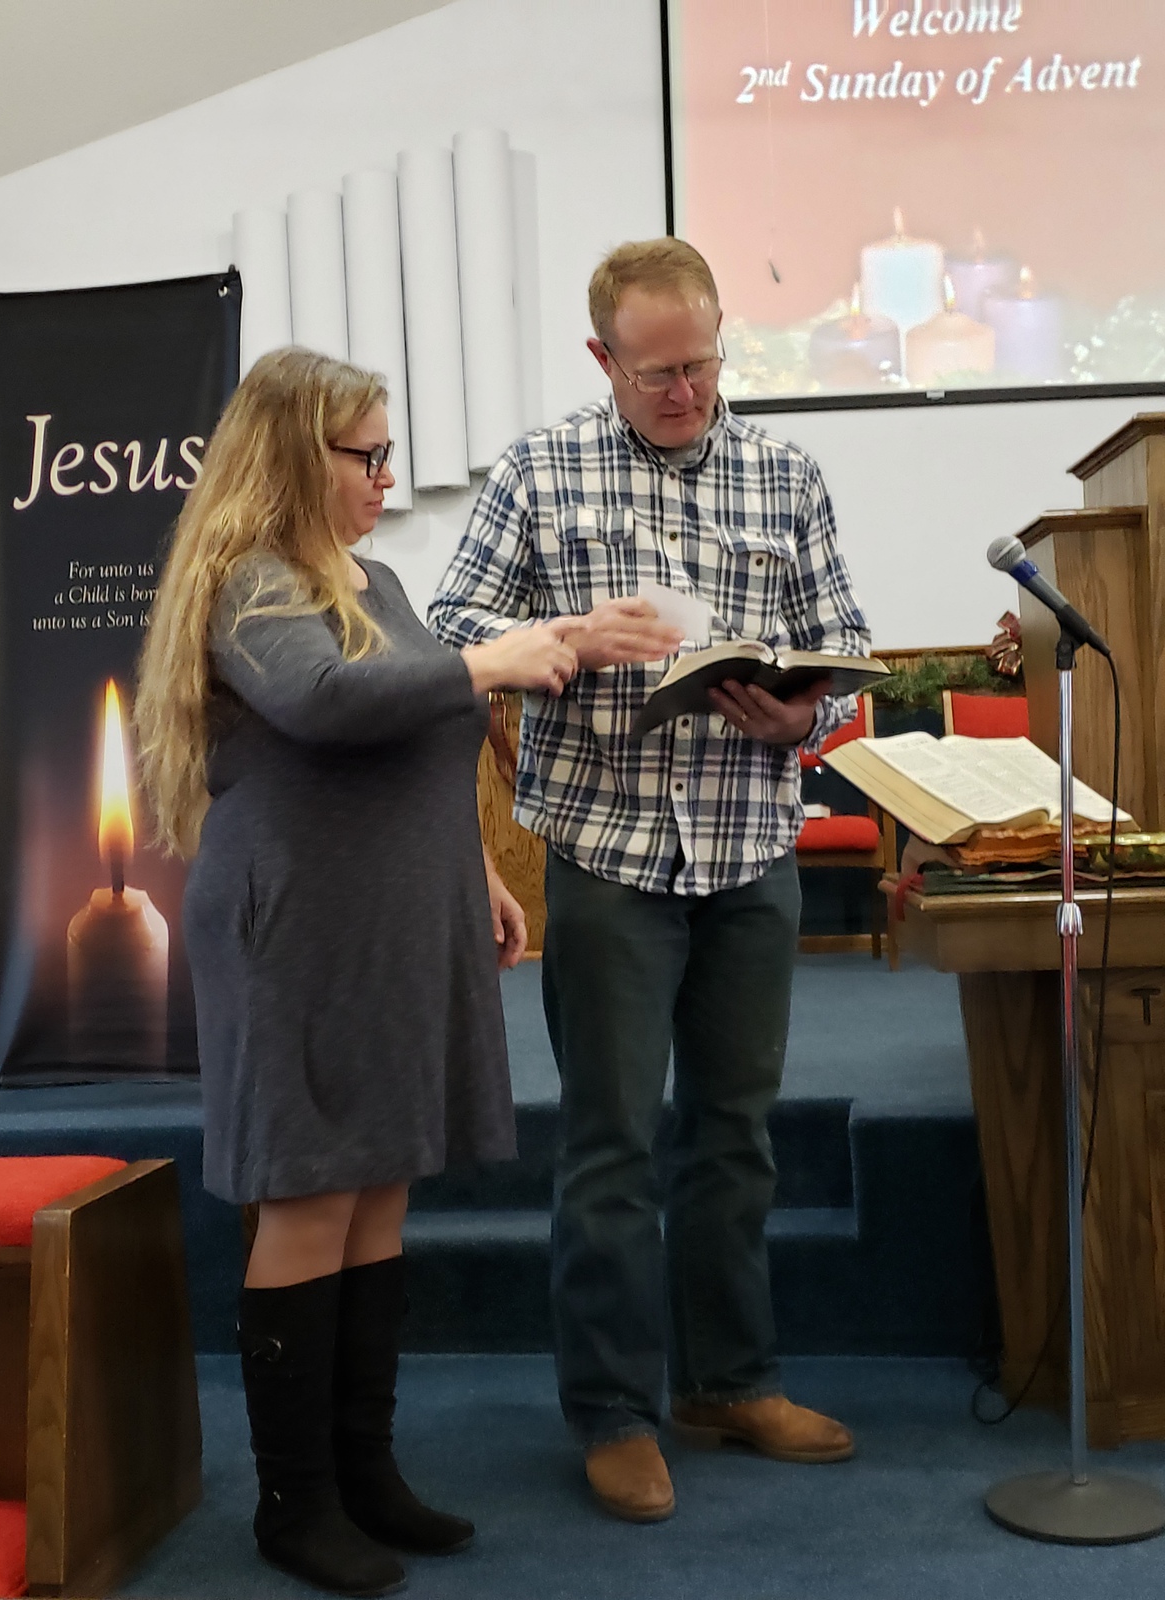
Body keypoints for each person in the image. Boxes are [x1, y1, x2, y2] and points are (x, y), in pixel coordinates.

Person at [428, 239, 870, 1523]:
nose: (685, 390)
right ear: (601, 359)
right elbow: (449, 630)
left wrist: (810, 725)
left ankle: (728, 1380)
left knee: (735, 1136)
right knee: (612, 1145)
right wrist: (564, 636)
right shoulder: (538, 469)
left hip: (749, 842)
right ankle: (613, 1409)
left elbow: (839, 650)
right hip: (609, 850)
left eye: (702, 361)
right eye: (656, 370)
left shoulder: (787, 473)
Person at [134, 347, 577, 1596]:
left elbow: (412, 732)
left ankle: (366, 1471)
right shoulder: (244, 582)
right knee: (312, 1193)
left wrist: (472, 870)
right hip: (296, 927)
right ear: (290, 456)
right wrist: (495, 660)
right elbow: (328, 702)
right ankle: (297, 1502)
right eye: (365, 455)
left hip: (390, 915)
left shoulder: (373, 576)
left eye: (389, 453)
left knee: (378, 1188)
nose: (388, 477)